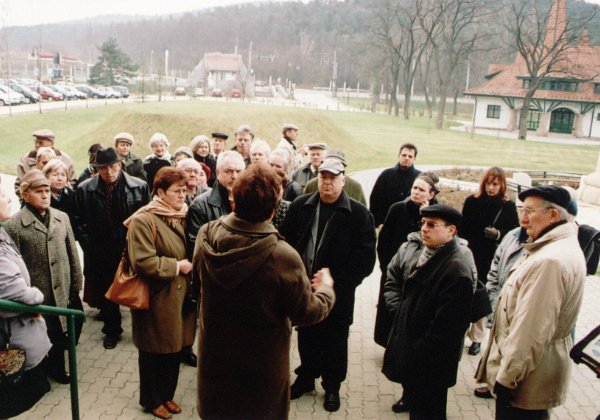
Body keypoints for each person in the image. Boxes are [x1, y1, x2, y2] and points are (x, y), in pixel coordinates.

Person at [193, 163, 336, 420]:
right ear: (273, 210)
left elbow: (196, 283)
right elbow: (308, 313)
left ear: (234, 200)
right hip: (260, 378)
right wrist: (326, 289)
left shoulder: (207, 235)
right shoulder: (282, 255)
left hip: (216, 369)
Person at [476, 186, 586, 420]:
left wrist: (507, 378)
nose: (522, 219)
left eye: (529, 211)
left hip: (525, 381)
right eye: (521, 210)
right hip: (533, 374)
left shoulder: (549, 261)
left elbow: (530, 331)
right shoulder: (555, 246)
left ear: (553, 215)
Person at [279, 157, 376, 412]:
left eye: (333, 178)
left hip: (338, 293)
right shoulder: (301, 206)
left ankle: (332, 386)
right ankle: (306, 378)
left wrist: (335, 283)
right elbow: (284, 243)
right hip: (304, 289)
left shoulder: (358, 214)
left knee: (335, 339)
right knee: (307, 335)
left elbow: (365, 260)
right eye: (323, 177)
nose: (327, 182)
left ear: (343, 180)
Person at [382, 204, 475, 418]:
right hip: (419, 359)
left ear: (451, 230)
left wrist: (414, 354)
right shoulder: (428, 254)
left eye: (432, 225)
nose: (424, 228)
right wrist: (401, 313)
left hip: (430, 366)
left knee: (428, 413)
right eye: (423, 223)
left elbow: (446, 330)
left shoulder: (456, 269)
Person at [124, 167, 194, 420]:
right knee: (153, 350)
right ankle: (151, 400)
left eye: (185, 190)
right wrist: (176, 266)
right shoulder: (144, 219)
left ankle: (166, 395)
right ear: (160, 192)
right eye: (177, 191)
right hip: (156, 297)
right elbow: (142, 261)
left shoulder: (183, 214)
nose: (182, 195)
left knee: (174, 348)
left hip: (179, 296)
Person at [4, 169, 83, 385]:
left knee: (65, 330)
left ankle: (58, 367)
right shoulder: (14, 226)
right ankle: (45, 371)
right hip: (39, 294)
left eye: (47, 190)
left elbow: (72, 254)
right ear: (25, 194)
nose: (45, 195)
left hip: (63, 288)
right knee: (45, 333)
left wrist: (76, 285)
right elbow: (14, 266)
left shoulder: (61, 218)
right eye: (39, 191)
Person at [77, 147, 150, 349]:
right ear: (96, 169)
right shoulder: (85, 189)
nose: (108, 172)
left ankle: (143, 331)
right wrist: (89, 246)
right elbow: (78, 221)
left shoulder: (140, 186)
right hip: (100, 249)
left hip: (131, 246)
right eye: (103, 168)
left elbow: (149, 218)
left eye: (112, 166)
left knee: (138, 287)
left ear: (120, 164)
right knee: (107, 290)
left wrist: (140, 244)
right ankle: (112, 330)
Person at [0, 180, 53, 419]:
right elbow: (14, 292)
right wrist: (37, 296)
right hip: (12, 339)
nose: (9, 199)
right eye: (3, 195)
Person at [374, 172, 439, 347]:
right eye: (414, 188)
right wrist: (387, 267)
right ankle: (389, 346)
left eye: (421, 190)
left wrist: (425, 215)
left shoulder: (436, 214)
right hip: (394, 271)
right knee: (390, 311)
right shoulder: (397, 209)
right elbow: (384, 241)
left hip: (421, 275)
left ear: (431, 194)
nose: (416, 192)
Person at [460, 167, 519, 356]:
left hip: (491, 258)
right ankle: (459, 333)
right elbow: (462, 228)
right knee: (464, 294)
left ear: (502, 185)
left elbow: (515, 234)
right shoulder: (472, 201)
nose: (490, 188)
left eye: (495, 184)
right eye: (487, 183)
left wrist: (498, 234)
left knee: (483, 297)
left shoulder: (507, 207)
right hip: (470, 254)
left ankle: (477, 338)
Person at [473, 224, 528, 400]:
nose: (524, 216)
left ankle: (504, 384)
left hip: (519, 306)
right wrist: (492, 290)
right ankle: (493, 382)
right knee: (496, 343)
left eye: (530, 211)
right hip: (501, 298)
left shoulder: (541, 245)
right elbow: (496, 264)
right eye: (522, 211)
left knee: (512, 346)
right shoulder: (513, 235)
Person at [187, 151, 245, 255]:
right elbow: (196, 246)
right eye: (228, 171)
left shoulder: (254, 200)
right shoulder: (200, 205)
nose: (234, 176)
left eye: (238, 171)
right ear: (218, 173)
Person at [369, 143, 420, 228]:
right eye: (404, 155)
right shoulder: (386, 175)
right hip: (387, 225)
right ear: (399, 156)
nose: (406, 158)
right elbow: (375, 200)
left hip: (411, 227)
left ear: (414, 159)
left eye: (410, 156)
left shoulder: (420, 178)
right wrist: (379, 223)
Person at [15, 129, 75, 197]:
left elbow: (72, 182)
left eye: (40, 143)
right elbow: (19, 185)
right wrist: (26, 200)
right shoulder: (25, 159)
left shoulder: (65, 159)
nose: (37, 145)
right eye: (36, 142)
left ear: (52, 144)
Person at [42, 159, 81, 242]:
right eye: (55, 175)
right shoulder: (41, 195)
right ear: (46, 177)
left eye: (63, 175)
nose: (60, 178)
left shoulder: (72, 195)